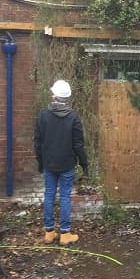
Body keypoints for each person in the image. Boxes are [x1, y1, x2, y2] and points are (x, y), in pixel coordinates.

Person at [33, 80, 89, 245]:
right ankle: (65, 234)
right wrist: (84, 164)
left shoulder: (43, 115)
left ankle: (49, 232)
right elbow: (78, 144)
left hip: (49, 163)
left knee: (49, 195)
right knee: (65, 196)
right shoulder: (73, 117)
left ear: (54, 96)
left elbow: (37, 142)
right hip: (67, 164)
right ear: (67, 98)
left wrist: (40, 162)